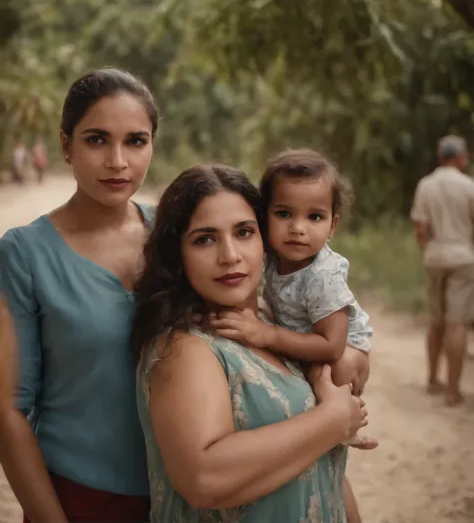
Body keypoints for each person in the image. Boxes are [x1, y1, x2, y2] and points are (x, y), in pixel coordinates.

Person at [132, 163, 369, 523]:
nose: (230, 255)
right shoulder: (185, 349)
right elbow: (203, 478)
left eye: (244, 232)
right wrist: (333, 419)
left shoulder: (276, 323)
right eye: (205, 239)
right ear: (177, 256)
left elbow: (319, 465)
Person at [0, 68, 159, 523]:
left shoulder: (176, 233)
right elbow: (9, 408)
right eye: (96, 140)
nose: (117, 161)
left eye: (135, 141)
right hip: (79, 499)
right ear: (66, 145)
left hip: (185, 494)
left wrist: (350, 344)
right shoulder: (24, 254)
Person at [210, 150, 374, 445]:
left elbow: (332, 346)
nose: (298, 229)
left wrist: (268, 334)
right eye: (284, 214)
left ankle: (342, 422)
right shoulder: (272, 253)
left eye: (314, 217)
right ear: (264, 217)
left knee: (329, 372)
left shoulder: (323, 276)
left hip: (346, 346)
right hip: (300, 330)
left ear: (332, 226)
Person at [411, 134, 474, 407]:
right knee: (456, 323)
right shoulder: (469, 186)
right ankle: (452, 390)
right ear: (461, 157)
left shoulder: (426, 185)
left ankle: (432, 378)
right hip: (463, 258)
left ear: (440, 157)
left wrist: (428, 251)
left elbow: (420, 228)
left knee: (436, 320)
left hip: (436, 257)